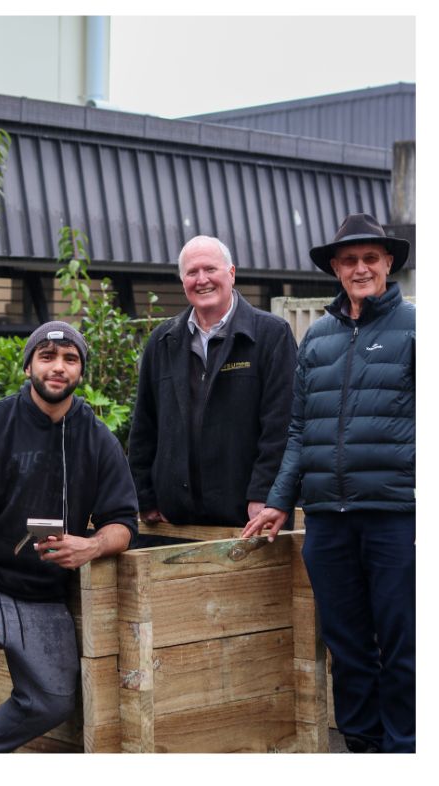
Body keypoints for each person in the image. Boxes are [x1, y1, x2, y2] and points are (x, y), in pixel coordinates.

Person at [243, 213, 415, 753]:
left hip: (395, 517)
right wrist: (278, 502)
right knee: (346, 646)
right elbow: (299, 430)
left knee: (404, 646)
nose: (360, 267)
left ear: (388, 262)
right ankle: (362, 747)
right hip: (326, 521)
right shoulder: (316, 337)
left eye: (370, 258)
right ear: (335, 269)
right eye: (349, 260)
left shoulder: (416, 328)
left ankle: (406, 748)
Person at [0, 321, 137, 753]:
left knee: (53, 699)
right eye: (46, 357)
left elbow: (123, 522)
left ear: (80, 372)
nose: (58, 367)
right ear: (28, 367)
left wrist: (92, 545)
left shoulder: (98, 439)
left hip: (41, 589)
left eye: (69, 359)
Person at [128, 235, 297, 527]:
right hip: (174, 520)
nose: (201, 279)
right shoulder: (163, 341)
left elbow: (281, 427)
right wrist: (145, 497)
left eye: (210, 269)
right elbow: (144, 426)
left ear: (231, 274)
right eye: (192, 272)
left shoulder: (272, 335)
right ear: (183, 281)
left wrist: (265, 494)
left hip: (249, 517)